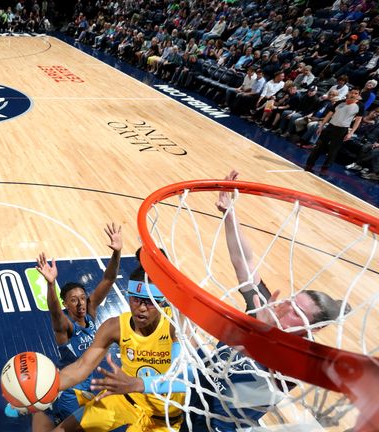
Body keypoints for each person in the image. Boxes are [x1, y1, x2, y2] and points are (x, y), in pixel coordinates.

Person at [89, 170, 349, 432]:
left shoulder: (300, 359)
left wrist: (259, 335)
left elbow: (247, 390)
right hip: (195, 405)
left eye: (296, 311)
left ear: (313, 328)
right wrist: (229, 214)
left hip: (222, 426)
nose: (284, 307)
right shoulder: (264, 310)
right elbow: (244, 262)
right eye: (290, 300)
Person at [49, 251, 183, 432]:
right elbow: (81, 366)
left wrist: (138, 384)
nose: (141, 308)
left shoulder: (176, 324)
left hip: (163, 419)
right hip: (124, 400)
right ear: (128, 297)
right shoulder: (115, 327)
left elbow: (184, 378)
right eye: (136, 300)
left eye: (149, 302)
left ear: (161, 301)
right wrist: (46, 388)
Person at [6, 224, 123, 429]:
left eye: (82, 298)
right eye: (73, 300)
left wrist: (117, 252)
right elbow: (54, 312)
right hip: (69, 389)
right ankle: (32, 401)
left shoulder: (91, 312)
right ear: (66, 304)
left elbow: (109, 278)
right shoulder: (66, 327)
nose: (80, 303)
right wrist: (51, 284)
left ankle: (32, 403)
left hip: (70, 383)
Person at [305, 88, 364, 174]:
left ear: (358, 95)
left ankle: (324, 169)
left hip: (342, 130)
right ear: (348, 93)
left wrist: (351, 133)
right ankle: (309, 165)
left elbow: (358, 120)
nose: (353, 95)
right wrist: (321, 125)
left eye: (356, 93)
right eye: (352, 92)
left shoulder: (360, 106)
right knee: (318, 147)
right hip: (330, 127)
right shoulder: (340, 102)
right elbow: (329, 114)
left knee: (333, 151)